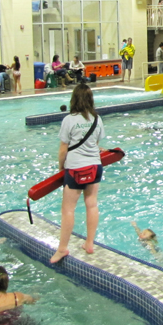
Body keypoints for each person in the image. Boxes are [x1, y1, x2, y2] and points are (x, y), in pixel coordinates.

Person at [50, 84, 106, 263]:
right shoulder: (97, 119)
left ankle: (62, 248)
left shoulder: (69, 120)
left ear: (74, 99)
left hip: (75, 169)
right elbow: (95, 144)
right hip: (95, 167)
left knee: (68, 209)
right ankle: (89, 244)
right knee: (92, 204)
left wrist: (60, 167)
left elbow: (63, 149)